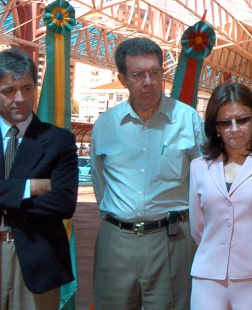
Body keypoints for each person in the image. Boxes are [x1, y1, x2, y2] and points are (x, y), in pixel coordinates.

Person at [91, 37, 204, 310]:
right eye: (138, 75)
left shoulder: (188, 120)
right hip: (117, 242)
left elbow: (204, 182)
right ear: (122, 79)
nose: (148, 82)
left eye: (155, 73)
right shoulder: (106, 125)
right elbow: (99, 181)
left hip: (172, 241)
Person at [0, 48, 78, 309]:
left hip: (39, 259)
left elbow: (63, 203)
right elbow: (48, 199)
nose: (20, 98)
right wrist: (30, 188)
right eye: (9, 90)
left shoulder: (59, 140)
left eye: (27, 88)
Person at [189, 82, 252, 309]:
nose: (234, 129)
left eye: (242, 120)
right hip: (209, 276)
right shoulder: (198, 167)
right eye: (225, 122)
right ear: (215, 126)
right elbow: (198, 227)